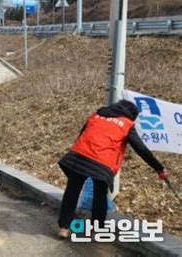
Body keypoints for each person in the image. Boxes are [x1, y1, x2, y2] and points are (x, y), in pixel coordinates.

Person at [57, 100, 168, 239]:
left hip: (79, 156)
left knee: (72, 191)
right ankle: (97, 230)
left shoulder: (96, 115)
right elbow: (141, 149)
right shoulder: (126, 124)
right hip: (102, 163)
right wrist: (159, 168)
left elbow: (82, 135)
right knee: (100, 195)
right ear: (131, 115)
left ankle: (64, 227)